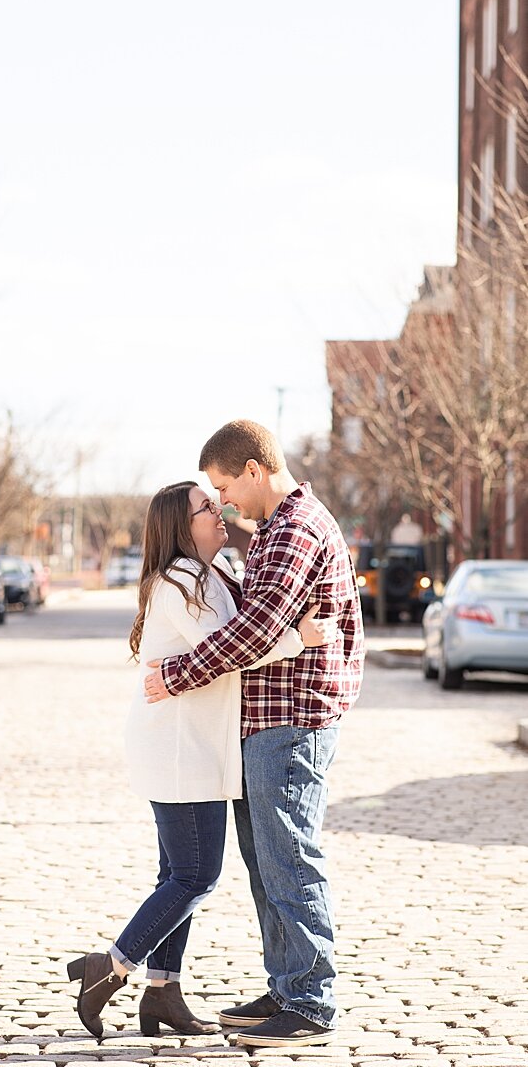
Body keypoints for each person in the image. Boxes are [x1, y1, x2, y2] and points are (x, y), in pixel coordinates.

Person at [66, 481, 334, 1041]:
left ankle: (163, 991)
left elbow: (232, 636)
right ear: (179, 527)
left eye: (216, 502)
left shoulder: (211, 575)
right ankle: (108, 967)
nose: (218, 511)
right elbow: (230, 648)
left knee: (177, 873)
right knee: (195, 876)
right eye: (204, 507)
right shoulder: (182, 581)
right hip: (180, 748)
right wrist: (298, 639)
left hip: (192, 745)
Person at [143, 420, 364, 1049]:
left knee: (290, 855)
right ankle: (287, 983)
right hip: (266, 721)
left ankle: (310, 1000)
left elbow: (257, 629)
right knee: (266, 860)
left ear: (251, 468)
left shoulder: (297, 528)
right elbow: (252, 612)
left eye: (223, 486)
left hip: (293, 720)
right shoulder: (273, 530)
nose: (225, 502)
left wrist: (178, 674)